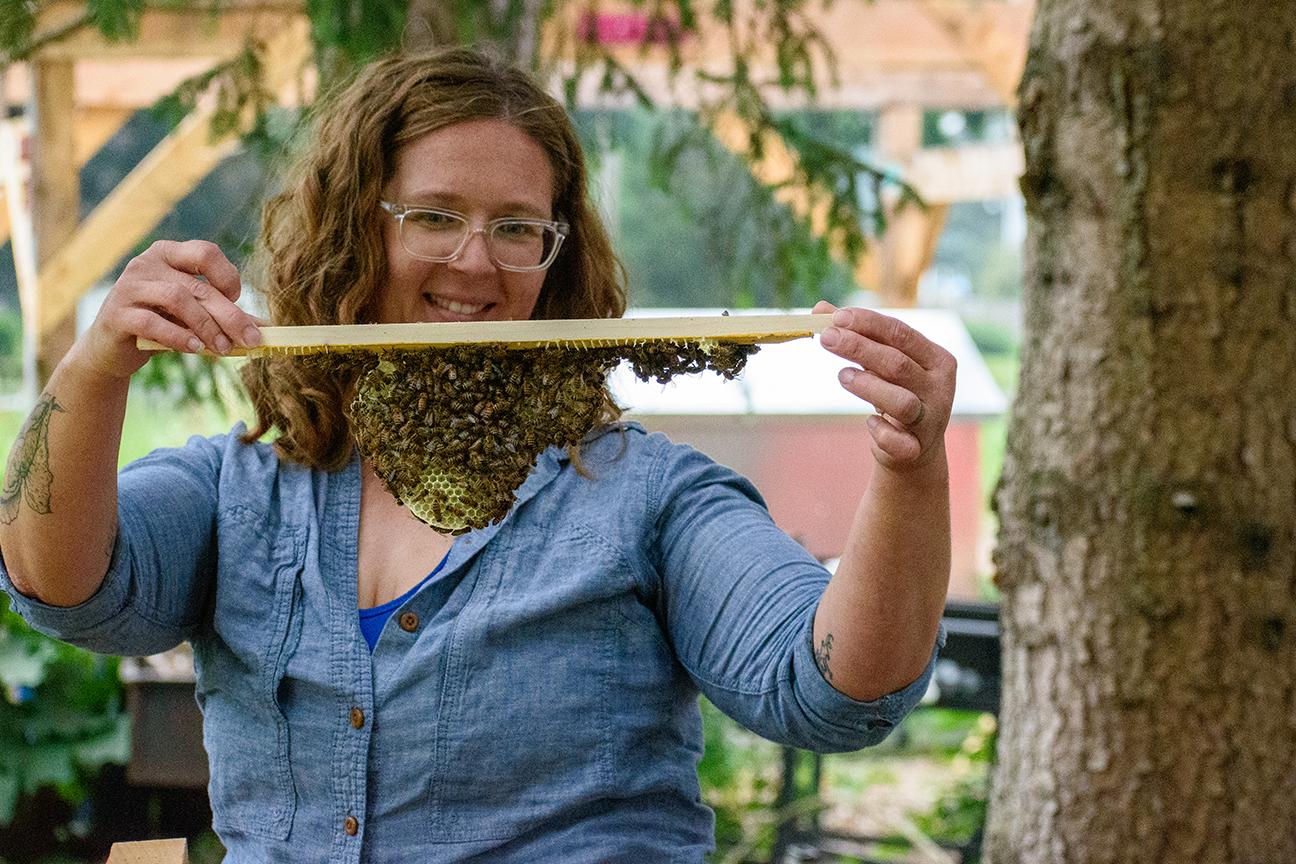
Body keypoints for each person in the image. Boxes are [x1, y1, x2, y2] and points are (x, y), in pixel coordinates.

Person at [0, 48, 955, 863]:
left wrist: (910, 469)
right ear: (352, 231)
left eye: (515, 228)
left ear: (557, 253)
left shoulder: (651, 498)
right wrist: (95, 370)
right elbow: (62, 586)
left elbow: (830, 689)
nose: (475, 262)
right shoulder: (238, 487)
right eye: (434, 216)